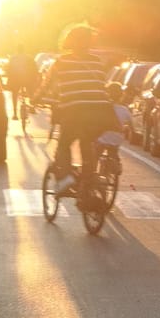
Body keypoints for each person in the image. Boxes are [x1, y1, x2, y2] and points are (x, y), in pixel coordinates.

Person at [38, 23, 118, 194]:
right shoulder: (96, 62)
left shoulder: (61, 62)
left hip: (74, 112)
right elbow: (99, 86)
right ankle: (88, 182)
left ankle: (66, 179)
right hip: (100, 112)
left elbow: (47, 85)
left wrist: (36, 98)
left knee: (64, 145)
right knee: (87, 142)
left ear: (69, 41)